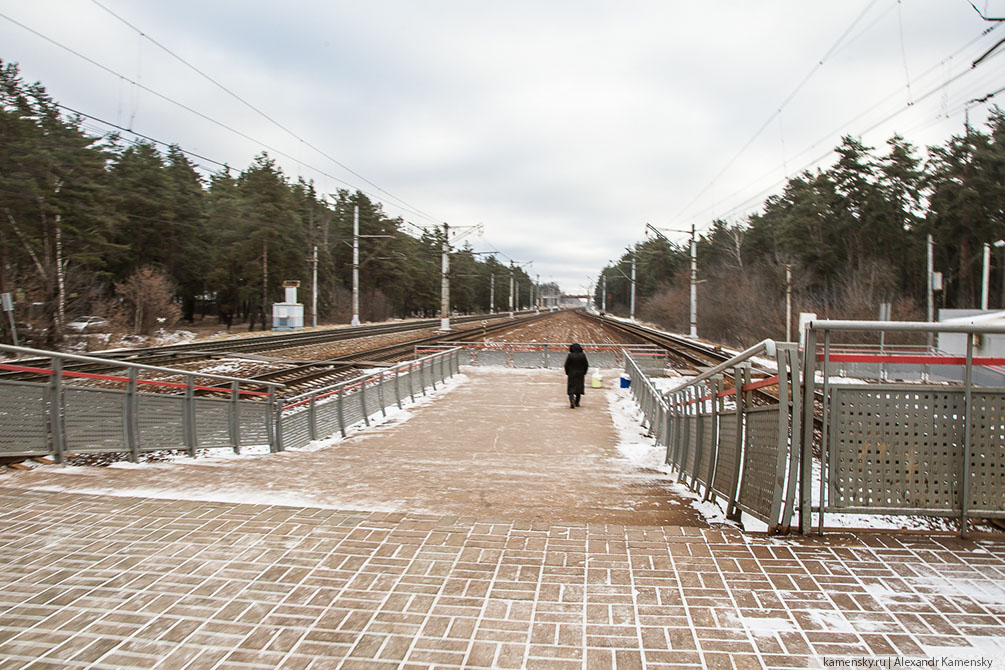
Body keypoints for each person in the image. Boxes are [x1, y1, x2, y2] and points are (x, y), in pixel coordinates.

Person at [563, 343, 589, 409]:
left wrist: (567, 372)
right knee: (579, 388)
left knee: (571, 388)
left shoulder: (570, 355)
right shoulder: (583, 356)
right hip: (580, 374)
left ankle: (572, 400)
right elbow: (586, 365)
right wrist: (584, 372)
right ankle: (577, 402)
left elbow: (566, 365)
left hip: (572, 373)